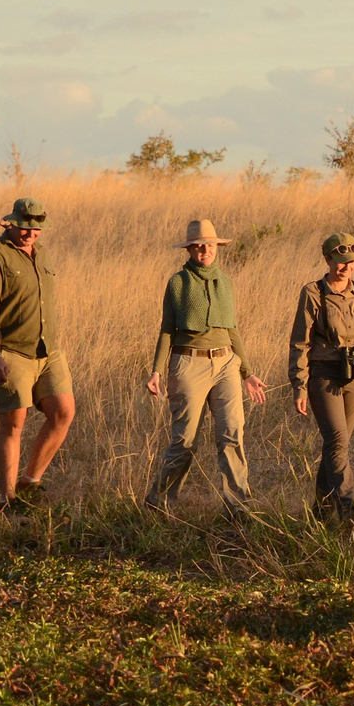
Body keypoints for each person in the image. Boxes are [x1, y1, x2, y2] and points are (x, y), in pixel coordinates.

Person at [145, 218, 269, 513]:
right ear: (189, 250)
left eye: (210, 245)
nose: (205, 251)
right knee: (185, 440)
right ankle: (157, 504)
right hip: (189, 363)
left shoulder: (225, 282)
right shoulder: (178, 282)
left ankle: (240, 508)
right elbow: (167, 329)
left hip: (226, 363)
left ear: (217, 247)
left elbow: (232, 328)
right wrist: (157, 371)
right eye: (198, 246)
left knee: (232, 434)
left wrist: (247, 373)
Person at [0, 197, 77, 509]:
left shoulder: (41, 253)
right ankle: (7, 500)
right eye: (24, 227)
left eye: (36, 228)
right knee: (13, 423)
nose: (29, 233)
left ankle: (29, 483)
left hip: (48, 350)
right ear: (11, 223)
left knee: (63, 412)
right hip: (10, 350)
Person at [287, 232, 354, 521]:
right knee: (337, 441)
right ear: (327, 260)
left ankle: (320, 513)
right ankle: (349, 510)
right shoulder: (313, 293)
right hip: (324, 375)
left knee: (338, 445)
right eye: (340, 261)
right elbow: (300, 342)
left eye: (351, 262)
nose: (346, 267)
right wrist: (299, 385)